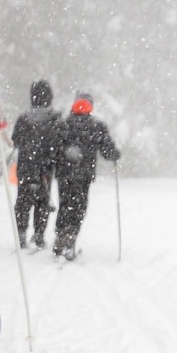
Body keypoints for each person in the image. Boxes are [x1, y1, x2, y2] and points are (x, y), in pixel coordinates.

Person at [52, 90, 121, 260]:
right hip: (83, 176)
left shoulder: (64, 123)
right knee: (78, 207)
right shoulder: (97, 126)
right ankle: (70, 240)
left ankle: (60, 237)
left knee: (64, 205)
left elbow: (54, 149)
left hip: (64, 174)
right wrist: (115, 154)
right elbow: (107, 151)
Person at [11, 79, 61, 250]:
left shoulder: (24, 118)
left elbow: (15, 141)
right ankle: (39, 235)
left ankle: (21, 234)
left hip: (26, 167)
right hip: (45, 168)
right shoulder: (55, 118)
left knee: (23, 202)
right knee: (43, 202)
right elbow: (58, 142)